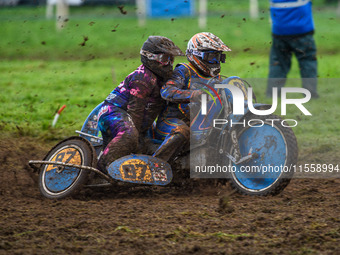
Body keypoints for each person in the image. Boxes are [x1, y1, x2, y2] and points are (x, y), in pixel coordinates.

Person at [97, 36, 183, 173]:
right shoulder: (143, 78)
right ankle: (101, 169)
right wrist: (136, 139)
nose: (169, 64)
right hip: (113, 111)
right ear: (150, 57)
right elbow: (135, 111)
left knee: (149, 149)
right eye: (164, 59)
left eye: (171, 59)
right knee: (129, 135)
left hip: (138, 121)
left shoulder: (164, 79)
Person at [152, 32, 231, 161]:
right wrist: (194, 94)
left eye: (219, 57)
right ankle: (154, 165)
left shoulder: (215, 77)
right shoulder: (184, 70)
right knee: (182, 132)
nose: (216, 61)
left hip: (198, 122)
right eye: (212, 57)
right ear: (196, 55)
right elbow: (166, 90)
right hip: (172, 121)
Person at [266, 0, 319, 98]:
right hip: (302, 30)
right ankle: (310, 93)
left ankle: (272, 93)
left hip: (279, 30)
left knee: (278, 63)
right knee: (307, 61)